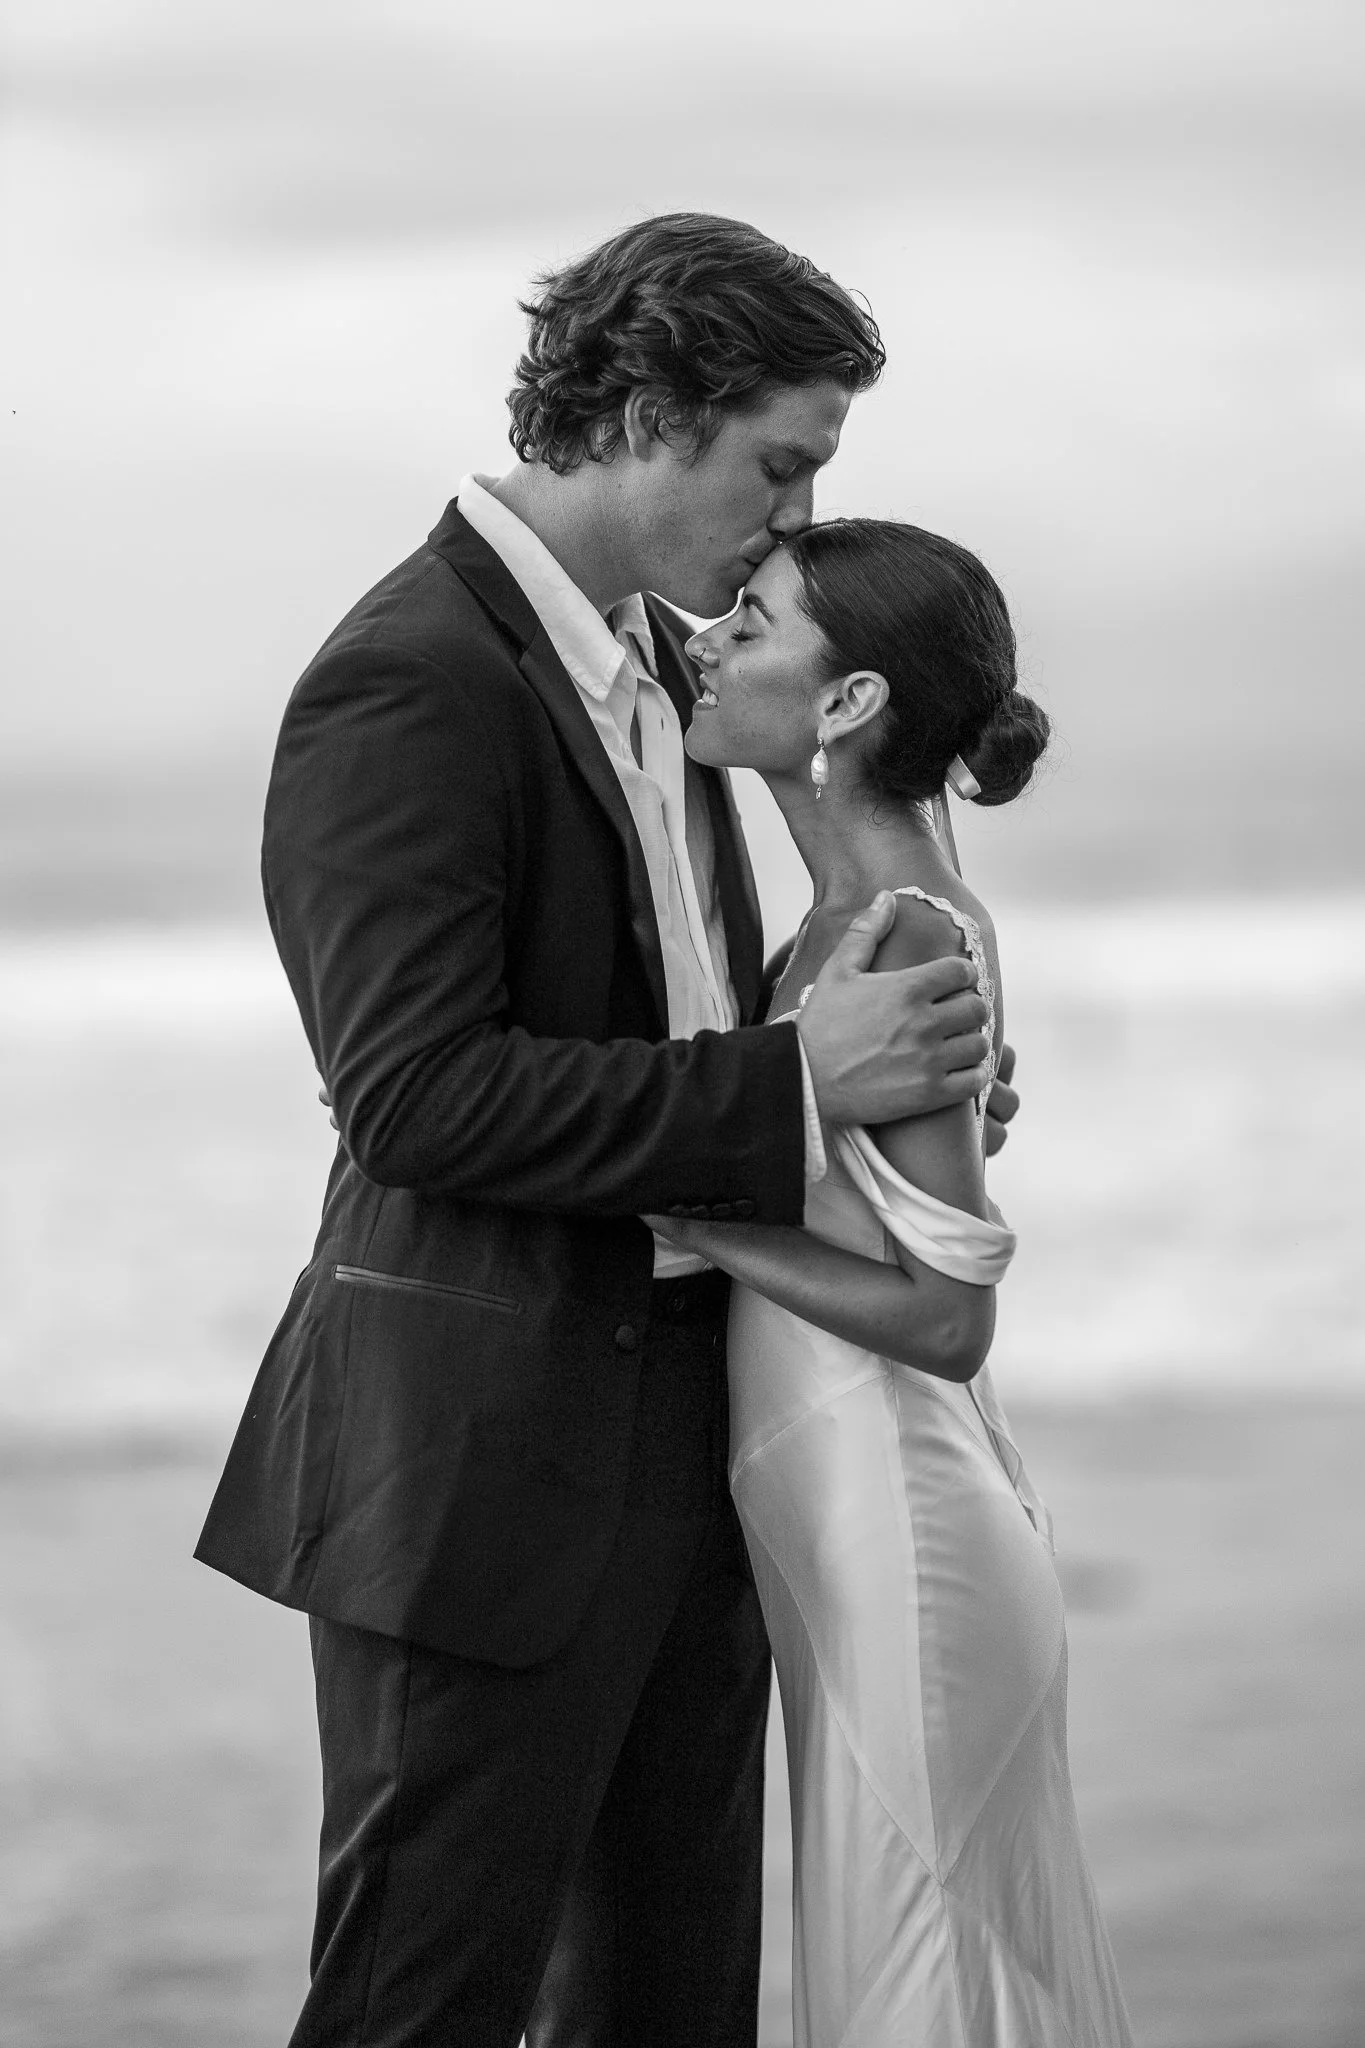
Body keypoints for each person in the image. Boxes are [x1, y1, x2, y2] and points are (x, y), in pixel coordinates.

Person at [194, 215, 1019, 2046]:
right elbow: (417, 1095)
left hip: (709, 1443)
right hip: (482, 1475)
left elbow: (686, 1023)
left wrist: (881, 1104)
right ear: (647, 410)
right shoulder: (408, 675)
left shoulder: (678, 671)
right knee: (432, 2009)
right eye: (781, 463)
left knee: (667, 2013)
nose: (795, 521)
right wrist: (804, 1087)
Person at [657, 517, 1133, 2045]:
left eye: (756, 619)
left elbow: (946, 1321)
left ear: (850, 701)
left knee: (923, 1993)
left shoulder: (907, 935)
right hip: (841, 1527)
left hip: (908, 1545)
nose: (711, 642)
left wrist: (686, 1215)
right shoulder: (833, 926)